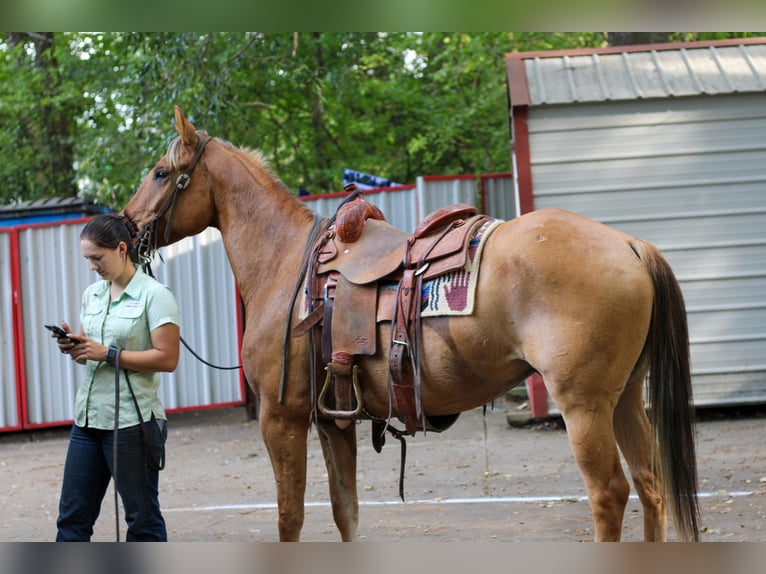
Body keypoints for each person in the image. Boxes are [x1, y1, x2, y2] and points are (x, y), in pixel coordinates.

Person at [52, 213, 180, 542]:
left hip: (132, 424)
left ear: (121, 249)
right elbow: (90, 352)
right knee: (72, 517)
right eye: (87, 259)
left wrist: (108, 353)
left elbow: (167, 359)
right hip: (88, 420)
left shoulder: (155, 295)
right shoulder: (92, 295)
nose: (92, 266)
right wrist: (75, 346)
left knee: (141, 520)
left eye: (97, 257)